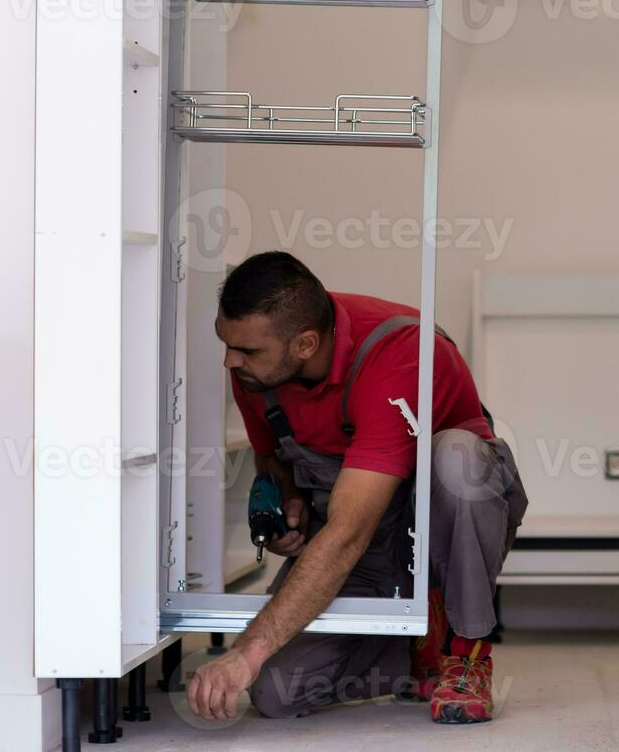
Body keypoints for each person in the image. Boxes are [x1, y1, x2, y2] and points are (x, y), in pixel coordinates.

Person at [185, 251, 528, 725]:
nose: (230, 360)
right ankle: (417, 654)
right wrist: (289, 501)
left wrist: (245, 651)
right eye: (226, 343)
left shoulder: (400, 353)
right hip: (359, 541)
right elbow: (273, 456)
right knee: (275, 692)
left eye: (246, 350)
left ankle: (465, 654)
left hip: (435, 534)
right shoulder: (257, 370)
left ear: (305, 343)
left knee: (458, 458)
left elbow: (348, 531)